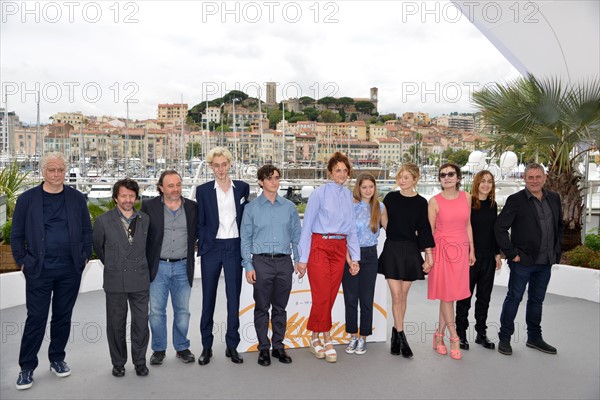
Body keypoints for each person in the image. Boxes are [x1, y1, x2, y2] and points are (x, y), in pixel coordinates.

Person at [11, 152, 92, 390]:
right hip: (38, 270)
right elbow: (16, 235)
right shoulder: (27, 199)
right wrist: (23, 262)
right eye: (51, 170)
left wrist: (84, 256)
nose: (56, 175)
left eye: (60, 170)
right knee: (36, 318)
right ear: (43, 172)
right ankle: (27, 367)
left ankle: (57, 358)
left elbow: (87, 230)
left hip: (70, 269)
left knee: (62, 316)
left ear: (65, 172)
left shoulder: (77, 198)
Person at [296, 152, 360, 363]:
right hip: (319, 246)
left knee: (330, 295)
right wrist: (302, 258)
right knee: (322, 293)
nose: (341, 174)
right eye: (337, 170)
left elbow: (351, 230)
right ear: (330, 172)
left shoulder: (349, 197)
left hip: (340, 248)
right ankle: (326, 337)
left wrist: (354, 258)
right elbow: (306, 228)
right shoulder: (319, 194)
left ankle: (314, 336)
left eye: (345, 170)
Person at [495, 163, 563, 356]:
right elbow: (500, 228)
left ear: (544, 178)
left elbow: (559, 226)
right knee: (514, 298)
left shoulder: (554, 198)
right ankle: (505, 338)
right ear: (524, 179)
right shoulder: (515, 200)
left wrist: (557, 251)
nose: (534, 180)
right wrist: (511, 252)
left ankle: (534, 338)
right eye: (530, 177)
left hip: (546, 262)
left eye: (538, 177)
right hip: (522, 262)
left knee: (537, 300)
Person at [240, 164, 301, 366]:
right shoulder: (251, 209)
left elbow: (296, 236)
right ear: (261, 182)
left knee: (280, 308)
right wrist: (248, 265)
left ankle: (279, 346)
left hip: (284, 262)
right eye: (269, 178)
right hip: (261, 262)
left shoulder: (290, 208)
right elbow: (245, 239)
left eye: (276, 177)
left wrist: (299, 260)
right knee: (262, 307)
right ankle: (264, 348)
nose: (274, 181)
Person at [196, 147, 249, 365]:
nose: (220, 169)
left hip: (234, 247)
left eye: (224, 164)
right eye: (216, 165)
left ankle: (232, 345)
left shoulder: (243, 188)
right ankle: (206, 346)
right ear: (211, 167)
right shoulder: (203, 190)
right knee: (208, 298)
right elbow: (199, 221)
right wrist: (205, 242)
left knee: (233, 298)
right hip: (212, 248)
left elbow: (246, 219)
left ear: (230, 164)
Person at [92, 178, 150, 378]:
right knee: (116, 324)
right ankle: (118, 363)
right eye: (123, 195)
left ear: (136, 197)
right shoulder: (103, 221)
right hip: (115, 279)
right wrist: (114, 265)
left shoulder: (145, 220)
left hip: (140, 279)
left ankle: (140, 362)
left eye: (131, 196)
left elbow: (148, 248)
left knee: (141, 322)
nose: (127, 199)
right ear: (116, 197)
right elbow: (99, 248)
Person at [378, 163, 434, 358]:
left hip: (411, 251)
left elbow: (425, 229)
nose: (402, 180)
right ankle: (402, 336)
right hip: (392, 248)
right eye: (400, 176)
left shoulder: (421, 202)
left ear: (415, 180)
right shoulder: (390, 198)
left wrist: (429, 255)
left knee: (403, 296)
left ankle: (395, 333)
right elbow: (380, 219)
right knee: (396, 295)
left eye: (406, 177)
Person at [142, 170, 197, 365]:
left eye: (178, 185)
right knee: (156, 312)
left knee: (183, 311)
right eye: (171, 185)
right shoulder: (148, 207)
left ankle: (182, 347)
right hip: (158, 267)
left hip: (183, 267)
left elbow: (197, 234)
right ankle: (158, 349)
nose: (175, 189)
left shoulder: (192, 207)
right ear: (161, 188)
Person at [427, 163, 475, 361]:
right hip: (442, 251)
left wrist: (472, 249)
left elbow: (468, 224)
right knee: (447, 296)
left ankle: (439, 336)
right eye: (443, 175)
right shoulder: (434, 202)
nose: (446, 177)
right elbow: (429, 232)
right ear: (440, 179)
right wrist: (428, 255)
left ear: (458, 177)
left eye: (450, 174)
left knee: (452, 296)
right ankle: (454, 337)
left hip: (461, 250)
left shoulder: (467, 197)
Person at [455, 170, 502, 351]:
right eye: (482, 181)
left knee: (484, 298)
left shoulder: (493, 204)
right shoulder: (468, 203)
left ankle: (481, 333)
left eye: (489, 181)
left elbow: (494, 232)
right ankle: (460, 334)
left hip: (488, 257)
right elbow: (462, 229)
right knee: (464, 297)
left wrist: (497, 255)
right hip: (470, 257)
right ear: (476, 183)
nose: (486, 184)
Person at [342, 173, 386, 356]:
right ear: (358, 188)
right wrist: (350, 260)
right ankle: (353, 335)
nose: (368, 190)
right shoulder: (350, 207)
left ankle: (363, 337)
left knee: (366, 299)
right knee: (351, 299)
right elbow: (344, 237)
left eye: (371, 186)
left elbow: (392, 229)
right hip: (351, 254)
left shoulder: (380, 207)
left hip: (370, 255)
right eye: (364, 187)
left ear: (375, 188)